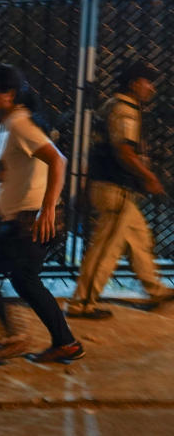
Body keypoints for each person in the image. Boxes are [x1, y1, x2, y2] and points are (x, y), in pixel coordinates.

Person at [0, 65, 85, 364]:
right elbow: (18, 166)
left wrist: (48, 208)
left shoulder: (20, 125)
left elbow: (57, 161)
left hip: (32, 221)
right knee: (24, 279)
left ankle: (17, 338)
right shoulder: (10, 124)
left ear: (8, 95)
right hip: (23, 220)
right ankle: (65, 343)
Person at [65, 60, 173, 318]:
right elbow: (123, 150)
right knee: (105, 248)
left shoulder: (114, 105)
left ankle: (155, 289)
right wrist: (148, 177)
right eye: (147, 82)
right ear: (134, 83)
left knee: (138, 239)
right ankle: (81, 303)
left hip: (109, 188)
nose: (151, 88)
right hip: (115, 189)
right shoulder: (125, 109)